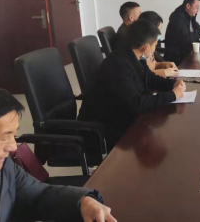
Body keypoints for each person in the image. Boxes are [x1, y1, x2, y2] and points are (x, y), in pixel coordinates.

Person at [0, 86, 115, 221]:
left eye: (13, 135)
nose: (13, 147)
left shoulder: (4, 167)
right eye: (3, 137)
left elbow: (38, 194)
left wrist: (82, 202)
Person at [79, 19, 185, 150]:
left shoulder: (132, 56)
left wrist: (173, 84)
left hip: (122, 116)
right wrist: (172, 95)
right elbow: (136, 104)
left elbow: (150, 78)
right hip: (106, 126)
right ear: (146, 48)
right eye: (154, 45)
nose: (154, 50)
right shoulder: (118, 65)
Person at [165, 0, 200, 64]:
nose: (198, 10)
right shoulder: (178, 18)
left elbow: (199, 29)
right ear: (188, 6)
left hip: (186, 54)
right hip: (177, 59)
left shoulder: (189, 17)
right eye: (197, 7)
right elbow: (185, 39)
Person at [138, 11, 179, 77]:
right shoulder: (140, 48)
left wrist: (165, 65)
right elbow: (142, 75)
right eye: (158, 30)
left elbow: (154, 65)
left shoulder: (150, 45)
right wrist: (164, 72)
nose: (160, 33)